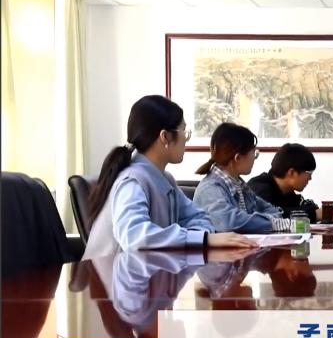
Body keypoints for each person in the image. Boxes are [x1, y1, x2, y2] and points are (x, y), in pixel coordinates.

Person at [83, 95, 255, 258]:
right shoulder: (132, 181)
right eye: (184, 131)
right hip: (111, 277)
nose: (186, 139)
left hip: (148, 273)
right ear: (165, 137)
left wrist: (192, 238)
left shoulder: (165, 179)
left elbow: (201, 218)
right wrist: (202, 240)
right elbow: (136, 238)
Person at [193, 123, 288, 234]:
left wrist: (262, 221)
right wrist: (271, 222)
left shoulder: (239, 185)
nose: (254, 158)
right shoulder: (209, 190)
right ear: (237, 157)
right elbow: (230, 223)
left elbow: (272, 210)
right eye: (254, 153)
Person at [247, 143, 320, 221]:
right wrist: (314, 214)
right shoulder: (259, 188)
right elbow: (270, 216)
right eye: (309, 173)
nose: (310, 178)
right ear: (291, 172)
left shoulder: (288, 193)